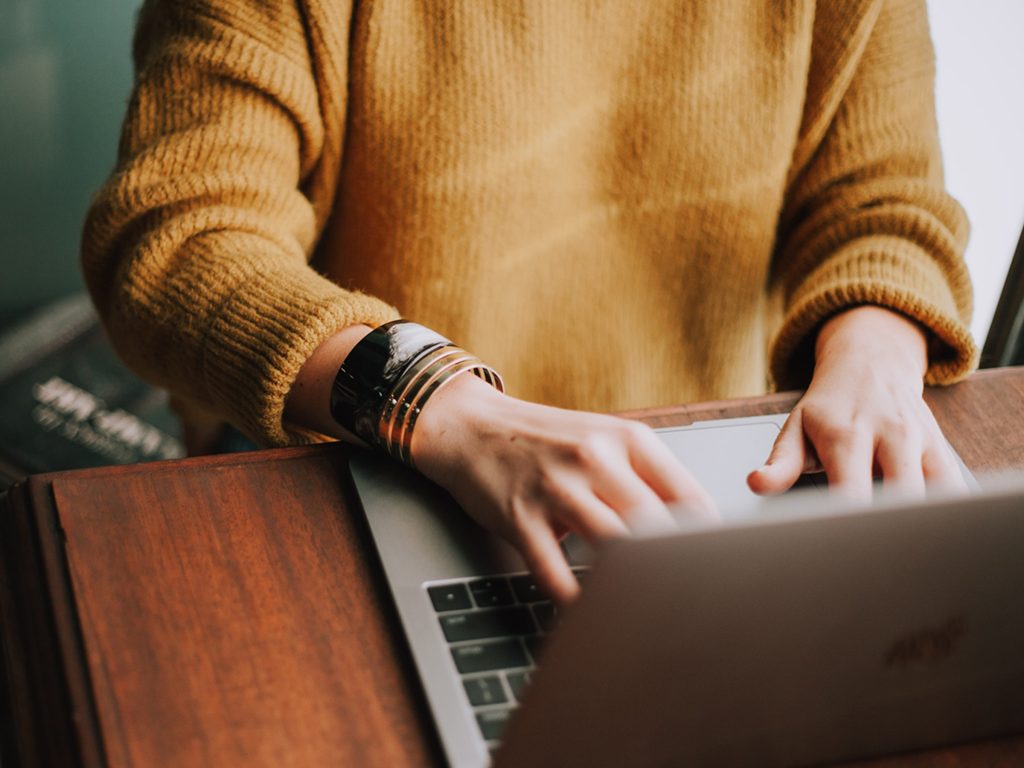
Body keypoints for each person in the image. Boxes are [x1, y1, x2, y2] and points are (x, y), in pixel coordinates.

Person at [82, 0, 977, 603]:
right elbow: (177, 236)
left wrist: (877, 353)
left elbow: (884, 203)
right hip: (362, 466)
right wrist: (441, 404)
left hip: (697, 489)